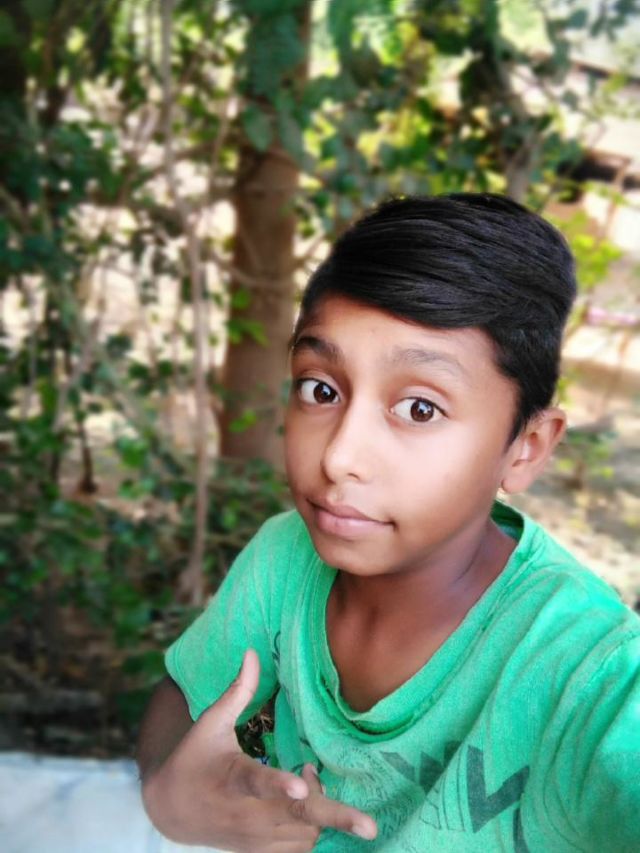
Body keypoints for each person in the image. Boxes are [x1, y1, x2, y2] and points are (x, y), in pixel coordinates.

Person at [136, 194, 640, 853]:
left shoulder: (592, 673)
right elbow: (187, 692)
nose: (339, 456)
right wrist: (171, 793)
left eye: (420, 409)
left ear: (527, 446)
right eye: (320, 389)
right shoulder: (284, 558)